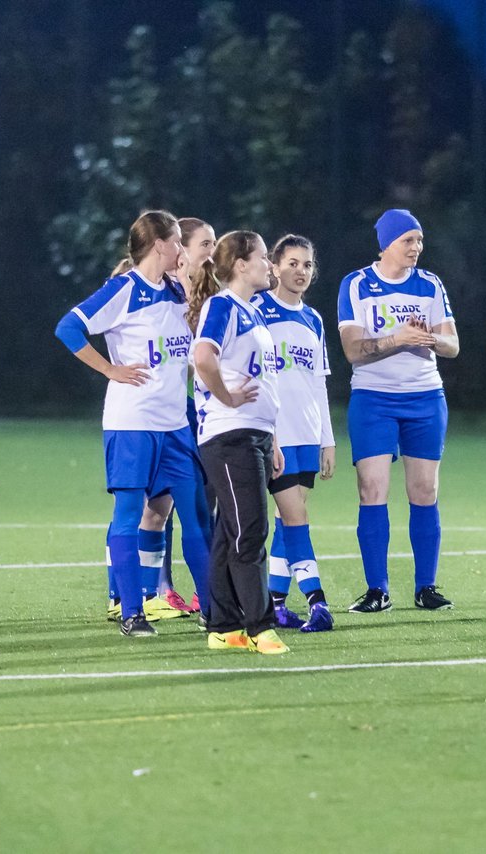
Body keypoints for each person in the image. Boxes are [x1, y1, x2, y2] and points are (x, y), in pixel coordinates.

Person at [54, 210, 212, 637]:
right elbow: (68, 328)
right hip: (132, 422)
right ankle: (131, 612)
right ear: (159, 244)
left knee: (197, 517)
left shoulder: (178, 293)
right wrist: (110, 369)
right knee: (128, 514)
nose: (182, 248)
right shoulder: (124, 289)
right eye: (178, 240)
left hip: (175, 424)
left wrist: (189, 290)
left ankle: (213, 610)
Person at [337, 209, 459, 613]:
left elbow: (453, 345)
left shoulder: (430, 284)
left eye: (420, 241)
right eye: (408, 240)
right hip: (373, 398)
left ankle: (426, 587)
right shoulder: (356, 284)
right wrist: (397, 339)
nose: (416, 248)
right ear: (386, 243)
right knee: (372, 490)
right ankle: (378, 590)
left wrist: (430, 340)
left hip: (425, 397)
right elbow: (353, 351)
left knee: (424, 491)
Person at [191, 230, 289, 654]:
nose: (270, 265)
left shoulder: (253, 313)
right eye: (264, 257)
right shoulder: (222, 305)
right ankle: (259, 626)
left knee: (228, 531)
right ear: (242, 264)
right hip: (229, 434)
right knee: (250, 528)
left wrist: (273, 439)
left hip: (254, 433)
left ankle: (224, 626)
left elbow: (265, 382)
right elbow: (202, 356)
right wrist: (225, 396)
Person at [252, 234, 336, 633]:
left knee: (289, 521)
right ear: (274, 266)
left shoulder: (314, 319)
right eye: (292, 263)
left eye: (307, 265)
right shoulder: (257, 309)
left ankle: (275, 604)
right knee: (295, 517)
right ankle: (318, 602)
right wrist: (268, 434)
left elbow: (319, 383)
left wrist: (328, 440)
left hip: (306, 432)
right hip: (275, 433)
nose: (300, 271)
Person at [155, 216, 219, 615]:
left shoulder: (216, 297)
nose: (212, 252)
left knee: (203, 504)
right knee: (161, 505)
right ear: (183, 252)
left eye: (215, 245)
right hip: (169, 413)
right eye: (205, 245)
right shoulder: (166, 295)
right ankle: (158, 588)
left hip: (207, 412)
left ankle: (206, 590)